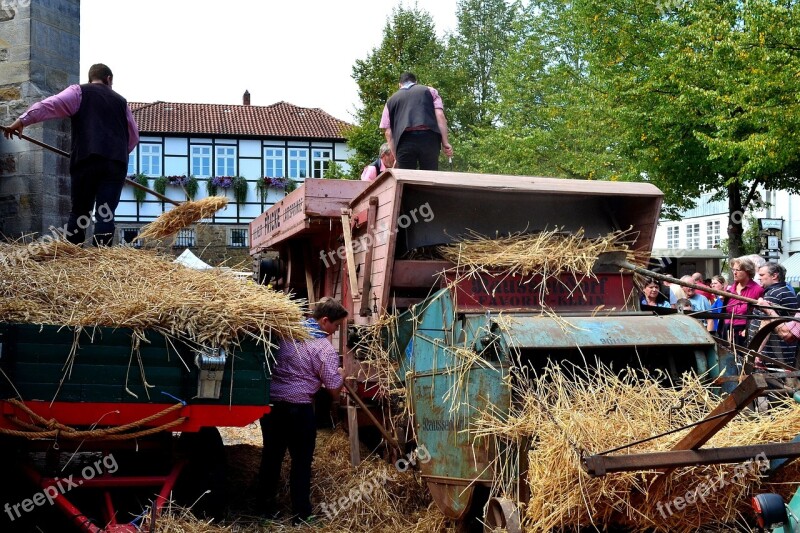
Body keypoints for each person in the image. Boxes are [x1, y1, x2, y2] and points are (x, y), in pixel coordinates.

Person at [3, 63, 139, 246]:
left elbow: (49, 105)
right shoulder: (121, 102)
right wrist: (117, 152)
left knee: (80, 212)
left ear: (90, 79)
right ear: (109, 79)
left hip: (86, 160)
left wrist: (22, 120)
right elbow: (134, 137)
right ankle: (104, 261)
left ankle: (74, 254)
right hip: (115, 164)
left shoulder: (79, 92)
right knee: (105, 214)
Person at [258, 297, 348, 524]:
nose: (335, 331)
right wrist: (342, 374)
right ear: (325, 321)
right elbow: (334, 389)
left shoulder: (286, 332)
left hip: (272, 407)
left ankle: (265, 511)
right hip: (299, 410)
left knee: (271, 457)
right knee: (301, 462)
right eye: (336, 326)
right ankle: (301, 514)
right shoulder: (322, 347)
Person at [379, 72, 453, 170]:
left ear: (399, 85)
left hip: (404, 141)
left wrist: (396, 155)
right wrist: (445, 142)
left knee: (406, 181)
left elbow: (388, 132)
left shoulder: (390, 101)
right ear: (416, 82)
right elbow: (440, 116)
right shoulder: (430, 91)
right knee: (429, 179)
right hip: (429, 139)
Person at [750, 263, 799, 366]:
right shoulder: (786, 291)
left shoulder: (774, 294)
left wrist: (757, 352)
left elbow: (766, 323)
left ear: (774, 276)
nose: (759, 278)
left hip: (772, 355)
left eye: (762, 275)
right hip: (784, 354)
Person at [720, 256, 765, 345]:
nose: (734, 273)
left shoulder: (757, 290)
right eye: (733, 270)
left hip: (745, 332)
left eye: (738, 270)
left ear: (747, 271)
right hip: (727, 330)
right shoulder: (730, 290)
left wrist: (749, 330)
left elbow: (760, 315)